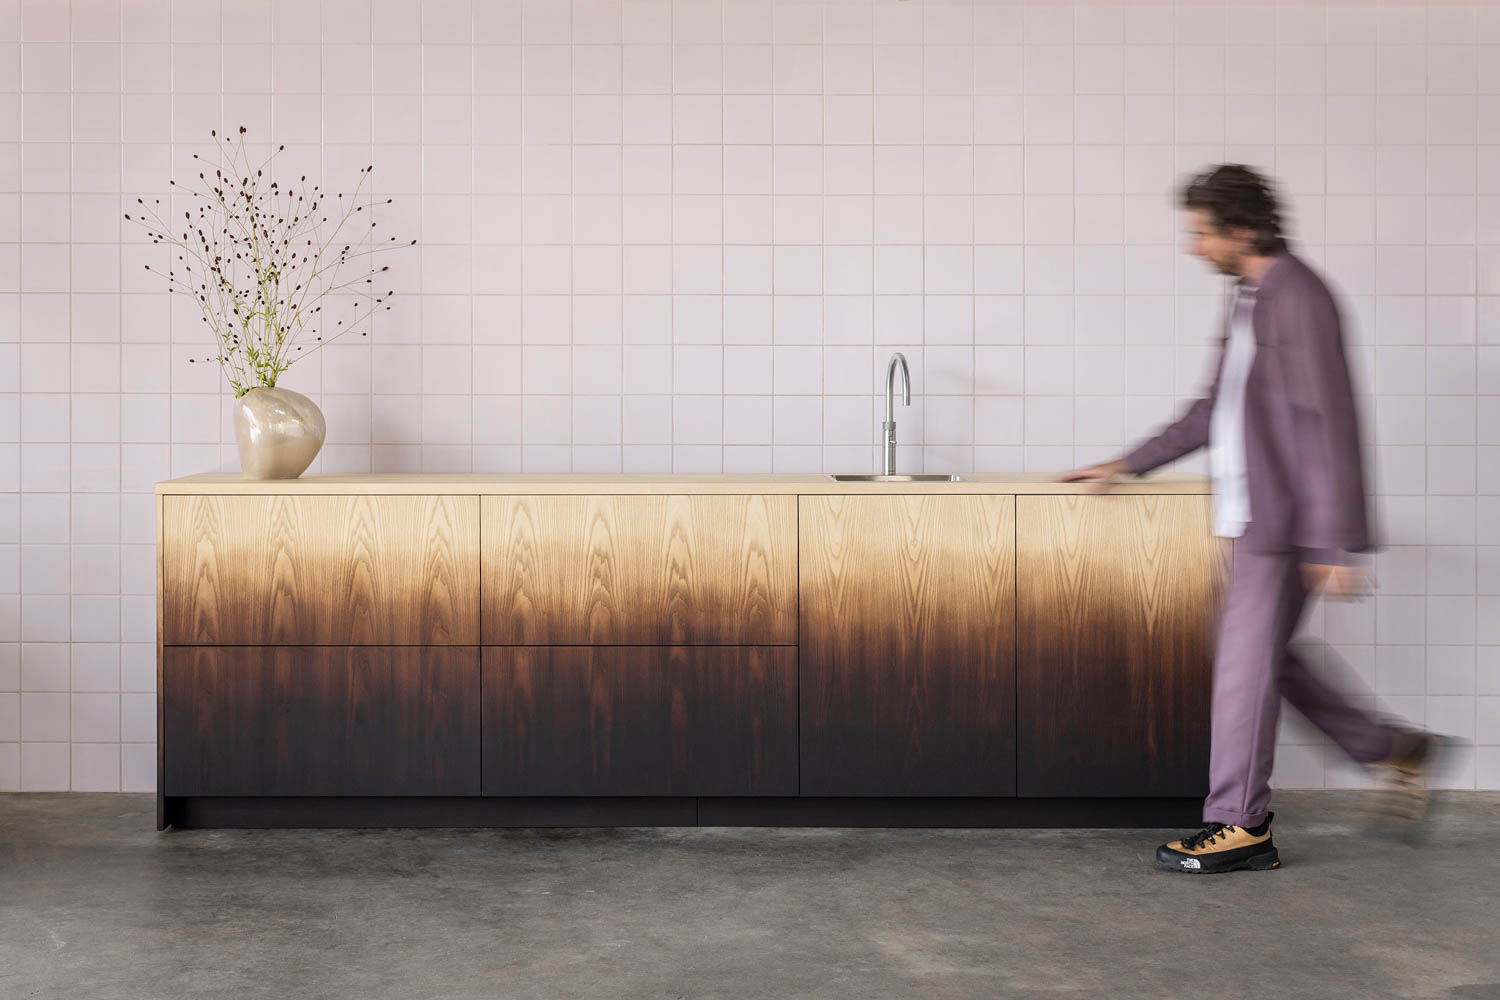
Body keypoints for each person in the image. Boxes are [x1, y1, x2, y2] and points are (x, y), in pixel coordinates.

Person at [1057, 164, 1449, 874]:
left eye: (1203, 232)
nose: (1194, 246)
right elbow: (1212, 408)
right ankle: (1391, 749)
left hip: (1287, 521)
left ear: (1243, 229)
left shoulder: (1300, 297)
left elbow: (1329, 420)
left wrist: (1332, 540)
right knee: (1251, 657)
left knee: (1243, 668)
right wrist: (1127, 463)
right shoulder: (1250, 297)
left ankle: (1240, 824)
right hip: (1251, 518)